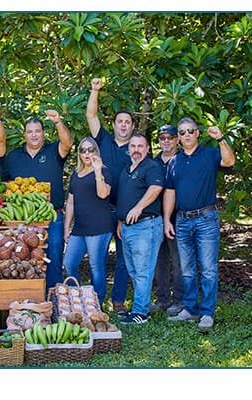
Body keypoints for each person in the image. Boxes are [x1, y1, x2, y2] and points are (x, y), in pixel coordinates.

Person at [165, 118, 235, 329]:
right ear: (179, 137)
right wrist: (167, 219)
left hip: (206, 219)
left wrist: (221, 138)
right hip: (182, 220)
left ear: (197, 133)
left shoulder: (209, 154)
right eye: (182, 132)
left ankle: (207, 313)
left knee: (208, 269)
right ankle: (190, 309)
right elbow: (170, 192)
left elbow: (229, 161)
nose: (186, 135)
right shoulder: (174, 162)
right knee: (186, 269)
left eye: (190, 131)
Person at [4, 110, 73, 291]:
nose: (34, 135)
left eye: (37, 131)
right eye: (30, 131)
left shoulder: (52, 151)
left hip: (52, 217)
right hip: (23, 220)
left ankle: (53, 295)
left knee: (54, 256)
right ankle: (29, 297)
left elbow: (68, 143)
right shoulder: (13, 157)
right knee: (22, 258)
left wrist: (58, 122)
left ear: (43, 133)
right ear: (24, 134)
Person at [86, 77, 134, 314]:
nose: (123, 125)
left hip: (125, 211)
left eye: (128, 122)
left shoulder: (137, 148)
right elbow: (92, 117)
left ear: (132, 127)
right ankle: (97, 301)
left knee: (124, 260)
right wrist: (95, 91)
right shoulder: (103, 141)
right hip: (102, 208)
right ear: (113, 125)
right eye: (120, 122)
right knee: (99, 260)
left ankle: (118, 301)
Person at [116, 133, 164, 324]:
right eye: (133, 146)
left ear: (147, 149)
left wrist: (138, 207)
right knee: (134, 270)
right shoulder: (126, 170)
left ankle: (140, 313)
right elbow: (124, 197)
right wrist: (121, 220)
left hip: (146, 226)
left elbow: (155, 189)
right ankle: (140, 307)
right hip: (128, 228)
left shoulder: (151, 167)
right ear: (129, 149)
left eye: (140, 146)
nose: (136, 149)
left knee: (143, 270)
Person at [62, 137, 114, 308]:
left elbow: (103, 194)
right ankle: (77, 299)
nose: (87, 153)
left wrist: (98, 171)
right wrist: (66, 228)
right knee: (69, 263)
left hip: (99, 227)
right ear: (79, 153)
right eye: (83, 150)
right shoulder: (76, 175)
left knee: (96, 266)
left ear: (96, 152)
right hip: (79, 228)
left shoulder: (104, 171)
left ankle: (97, 303)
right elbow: (71, 203)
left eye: (90, 149)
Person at [150, 124, 184, 315]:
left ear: (177, 139)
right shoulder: (154, 163)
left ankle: (179, 300)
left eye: (169, 137)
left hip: (178, 218)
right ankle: (162, 298)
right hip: (156, 218)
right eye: (162, 138)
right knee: (158, 261)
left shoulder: (182, 161)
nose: (166, 141)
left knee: (179, 261)